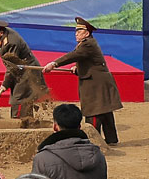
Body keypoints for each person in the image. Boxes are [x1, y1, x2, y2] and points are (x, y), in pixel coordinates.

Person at [46, 16, 122, 146]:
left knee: (93, 111)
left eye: (79, 31)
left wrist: (55, 63)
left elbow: (74, 55)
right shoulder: (87, 43)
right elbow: (88, 62)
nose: (76, 34)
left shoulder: (87, 44)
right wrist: (78, 69)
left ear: (86, 33)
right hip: (99, 80)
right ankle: (111, 139)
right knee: (104, 110)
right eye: (76, 31)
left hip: (95, 83)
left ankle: (92, 141)